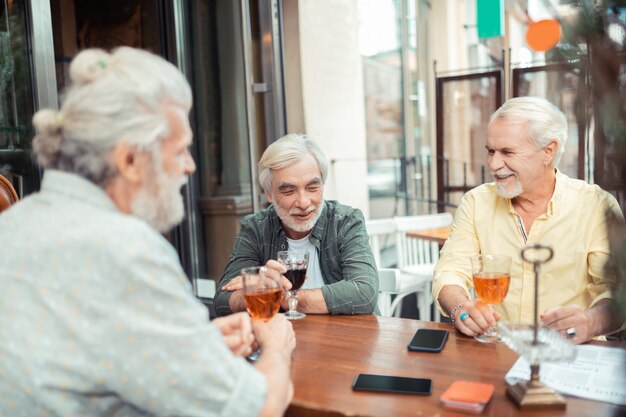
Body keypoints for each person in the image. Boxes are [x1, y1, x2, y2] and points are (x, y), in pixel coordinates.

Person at [0, 47, 295, 417]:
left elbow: (72, 358)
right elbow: (258, 409)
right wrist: (277, 346)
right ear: (129, 160)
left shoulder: (12, 225)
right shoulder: (127, 250)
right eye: (181, 150)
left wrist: (192, 347)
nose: (190, 167)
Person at [433, 96, 625, 344]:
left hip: (571, 351)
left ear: (548, 151)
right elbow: (449, 272)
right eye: (490, 151)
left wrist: (591, 322)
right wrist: (460, 307)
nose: (494, 164)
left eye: (507, 152)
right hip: (497, 348)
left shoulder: (596, 205)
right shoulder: (475, 202)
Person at [214, 133, 379, 316]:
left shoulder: (346, 221)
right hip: (286, 339)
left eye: (312, 187)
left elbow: (364, 294)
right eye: (289, 190)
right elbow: (222, 301)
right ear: (269, 194)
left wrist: (278, 296)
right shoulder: (255, 228)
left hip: (349, 338)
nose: (303, 202)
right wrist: (248, 291)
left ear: (322, 185)